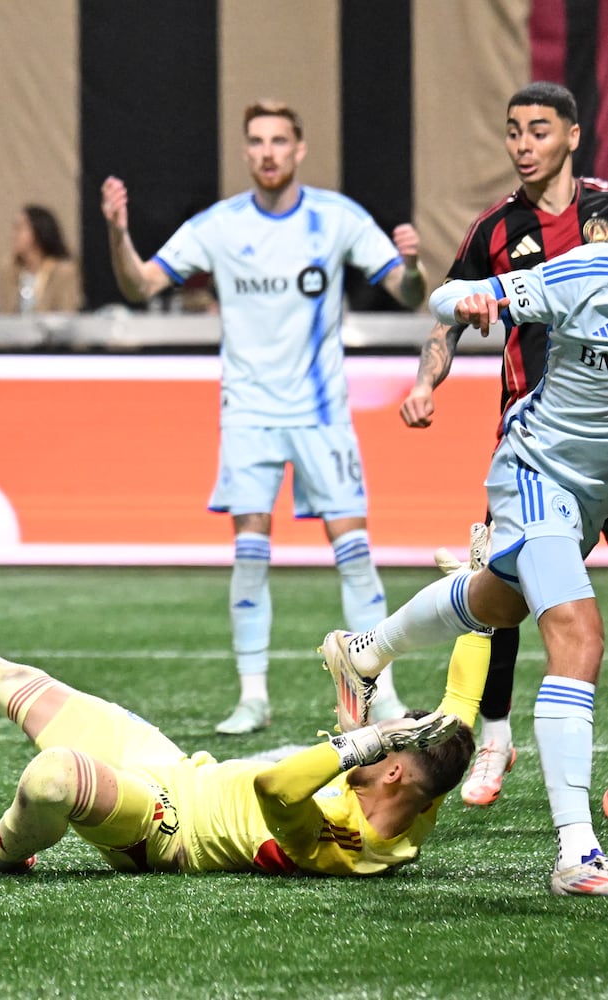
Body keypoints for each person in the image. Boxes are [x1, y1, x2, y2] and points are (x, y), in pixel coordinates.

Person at [0, 519, 479, 879]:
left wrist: (361, 737)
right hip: (171, 766)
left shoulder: (352, 847)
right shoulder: (421, 792)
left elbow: (276, 786)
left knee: (53, 776)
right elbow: (460, 704)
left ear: (393, 767)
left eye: (390, 738)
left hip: (164, 828)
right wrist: (480, 593)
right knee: (21, 685)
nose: (385, 728)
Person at [101, 100, 428, 735]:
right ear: (246, 151)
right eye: (257, 141)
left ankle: (383, 694)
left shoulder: (337, 218)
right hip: (248, 412)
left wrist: (412, 266)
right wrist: (118, 233)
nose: (268, 151)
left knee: (355, 554)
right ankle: (252, 697)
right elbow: (140, 285)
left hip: (321, 411)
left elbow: (407, 293)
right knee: (249, 552)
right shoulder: (219, 226)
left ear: (300, 148)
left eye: (280, 140)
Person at [320, 241, 608, 895]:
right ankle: (575, 851)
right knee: (577, 634)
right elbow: (445, 297)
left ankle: (365, 651)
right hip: (539, 470)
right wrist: (475, 298)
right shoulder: (586, 273)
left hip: (595, 487)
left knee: (498, 603)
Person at [398, 82, 608, 809]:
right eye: (513, 131)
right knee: (508, 589)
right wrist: (428, 382)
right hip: (531, 443)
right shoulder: (494, 228)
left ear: (572, 137)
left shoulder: (603, 213)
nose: (523, 145)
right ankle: (494, 738)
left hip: (602, 437)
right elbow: (447, 317)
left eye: (538, 131)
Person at [0, 205, 82, 315]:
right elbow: (4, 314)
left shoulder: (63, 272)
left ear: (38, 231)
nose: (13, 235)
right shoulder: (9, 270)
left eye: (19, 229)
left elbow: (67, 314)